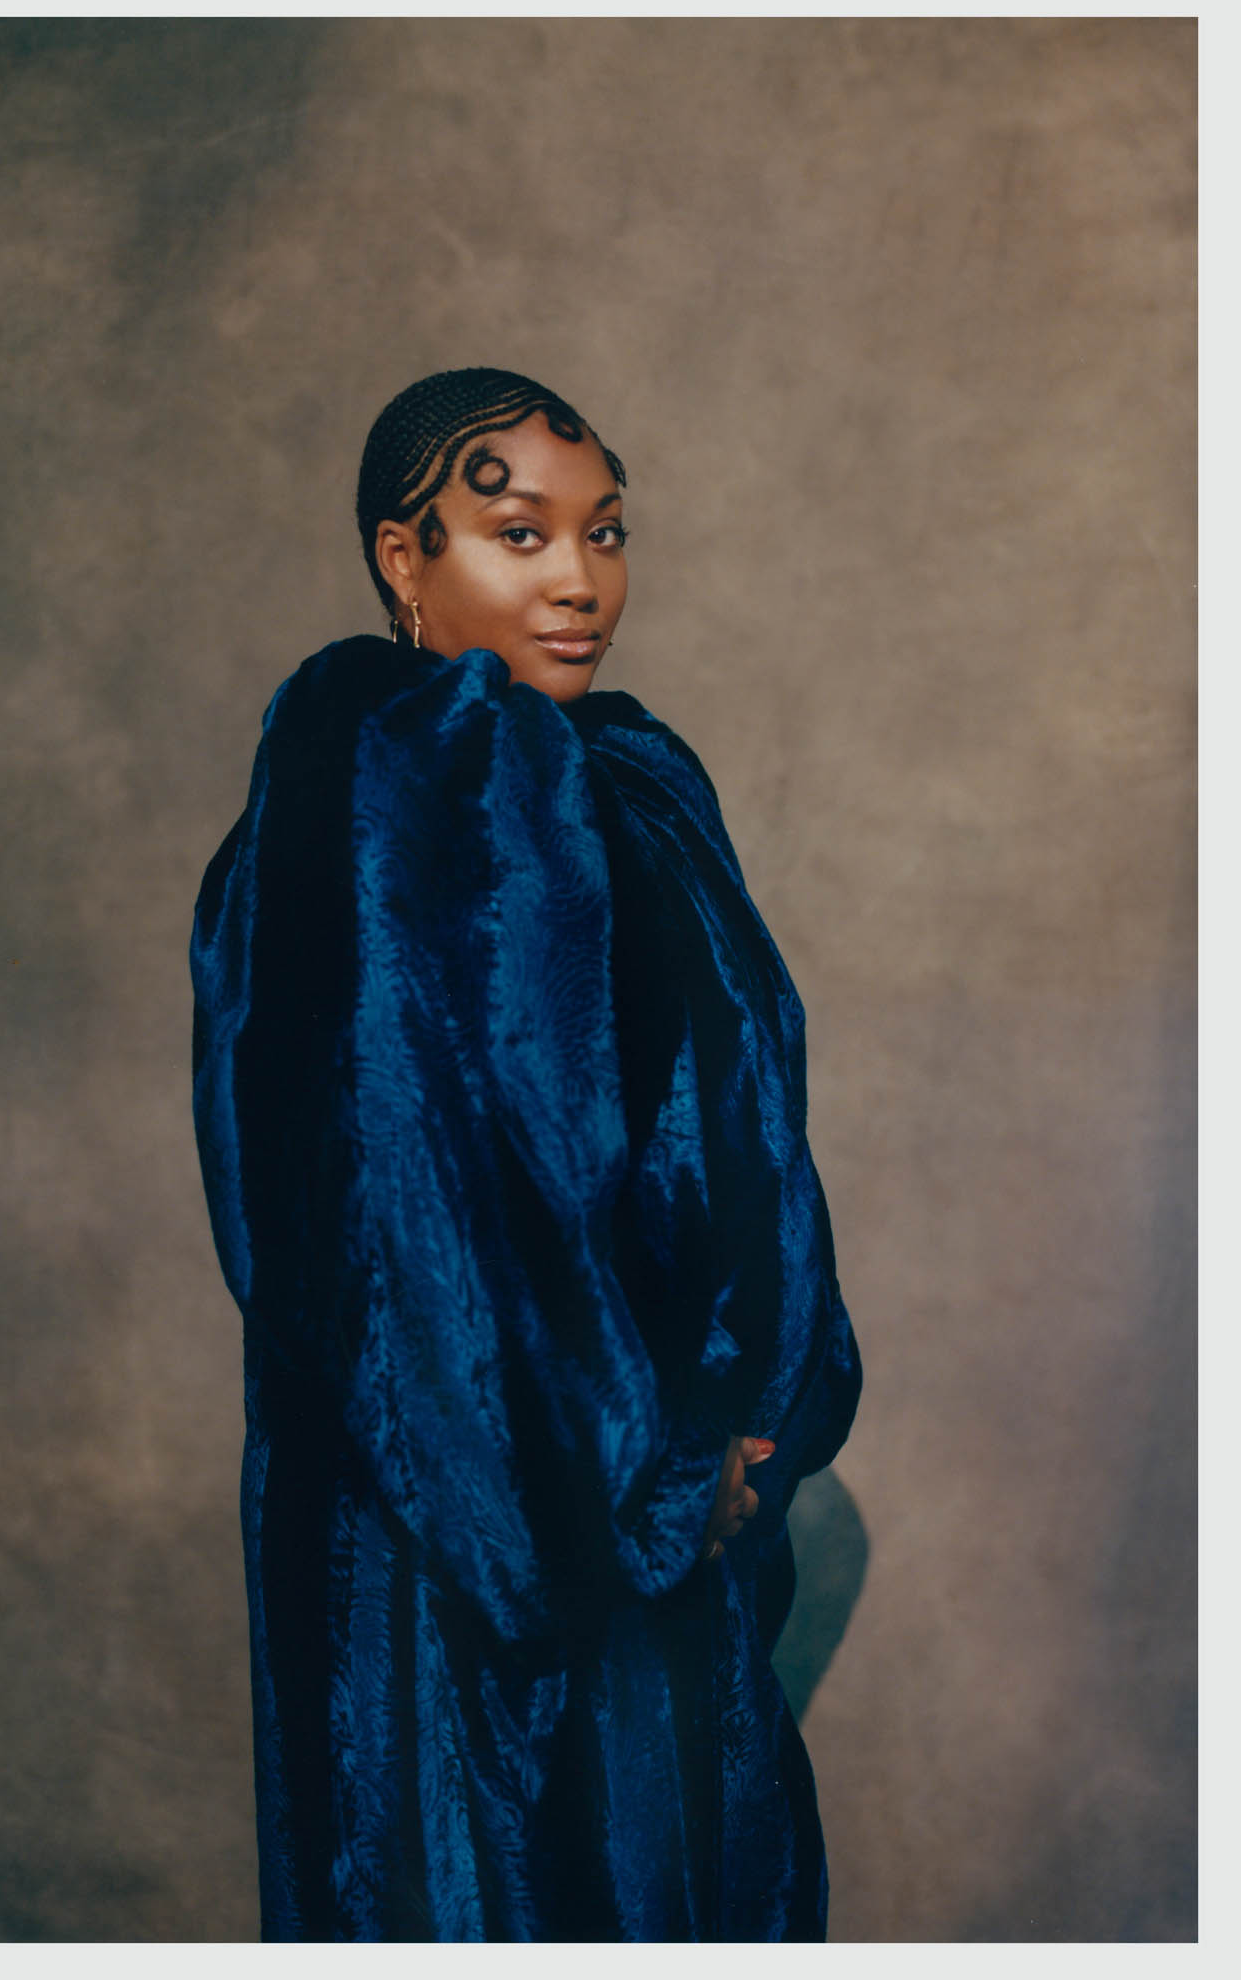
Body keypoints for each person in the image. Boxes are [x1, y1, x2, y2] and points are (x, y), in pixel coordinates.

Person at [190, 367, 862, 1941]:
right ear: (402, 560)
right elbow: (414, 1211)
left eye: (603, 531)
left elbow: (736, 1134)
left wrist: (751, 1416)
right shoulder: (396, 803)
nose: (577, 580)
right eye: (517, 533)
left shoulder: (622, 784)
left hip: (660, 1505)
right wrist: (639, 1482)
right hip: (474, 1532)